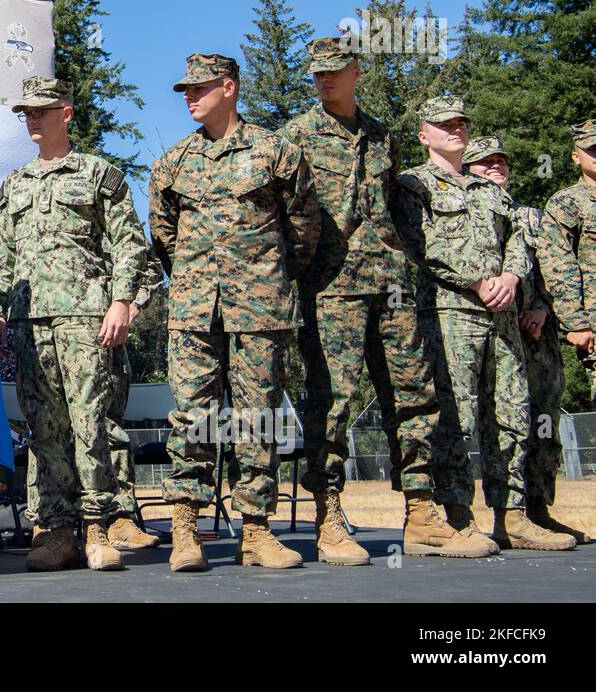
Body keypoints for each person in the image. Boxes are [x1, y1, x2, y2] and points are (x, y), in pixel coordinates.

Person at [277, 38, 479, 562]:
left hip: (390, 283)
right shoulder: (295, 136)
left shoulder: (381, 134)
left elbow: (392, 209)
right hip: (330, 286)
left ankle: (420, 511)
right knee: (334, 401)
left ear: (356, 71)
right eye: (317, 73)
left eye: (335, 72)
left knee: (414, 393)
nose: (324, 80)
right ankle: (329, 516)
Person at [149, 53, 319, 572]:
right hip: (194, 312)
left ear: (229, 87)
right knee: (193, 417)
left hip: (259, 309)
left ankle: (258, 531)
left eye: (199, 87)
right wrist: (199, 277)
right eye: (184, 88)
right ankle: (185, 529)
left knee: (257, 419)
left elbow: (304, 230)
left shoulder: (276, 152)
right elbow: (164, 236)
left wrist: (264, 277)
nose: (188, 96)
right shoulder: (173, 162)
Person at [0, 76, 161, 573]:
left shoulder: (99, 174)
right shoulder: (16, 184)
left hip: (87, 319)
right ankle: (56, 531)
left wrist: (122, 301)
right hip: (29, 324)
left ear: (65, 111)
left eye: (41, 109)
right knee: (44, 430)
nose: (31, 118)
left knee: (92, 426)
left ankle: (99, 527)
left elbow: (129, 244)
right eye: (26, 111)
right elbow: (3, 255)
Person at [394, 98, 574, 551]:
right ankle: (457, 517)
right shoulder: (412, 185)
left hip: (503, 314)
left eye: (460, 123)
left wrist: (511, 277)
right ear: (424, 135)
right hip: (451, 313)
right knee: (459, 416)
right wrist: (477, 281)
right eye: (444, 124)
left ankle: (512, 516)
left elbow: (518, 239)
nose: (455, 129)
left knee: (512, 415)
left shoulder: (490, 191)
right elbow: (420, 245)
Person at [463, 136, 590, 546]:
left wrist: (544, 309)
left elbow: (561, 268)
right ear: (468, 170)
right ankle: (507, 513)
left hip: (540, 334)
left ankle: (538, 508)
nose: (496, 166)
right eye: (484, 162)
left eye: (501, 160)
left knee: (545, 422)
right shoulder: (467, 215)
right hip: (495, 332)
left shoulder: (533, 216)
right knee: (503, 422)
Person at [534, 121, 596, 543]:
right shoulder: (568, 203)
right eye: (592, 150)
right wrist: (575, 321)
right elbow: (558, 263)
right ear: (576, 156)